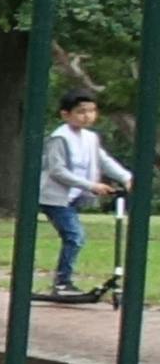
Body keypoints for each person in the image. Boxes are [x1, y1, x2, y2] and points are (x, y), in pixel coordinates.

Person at [45, 84, 135, 298]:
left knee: (73, 236)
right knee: (75, 236)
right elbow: (57, 171)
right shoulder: (59, 138)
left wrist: (126, 177)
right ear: (66, 114)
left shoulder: (90, 138)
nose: (87, 116)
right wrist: (91, 186)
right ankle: (62, 282)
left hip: (73, 196)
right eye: (81, 112)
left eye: (91, 111)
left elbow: (103, 160)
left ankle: (63, 281)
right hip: (55, 197)